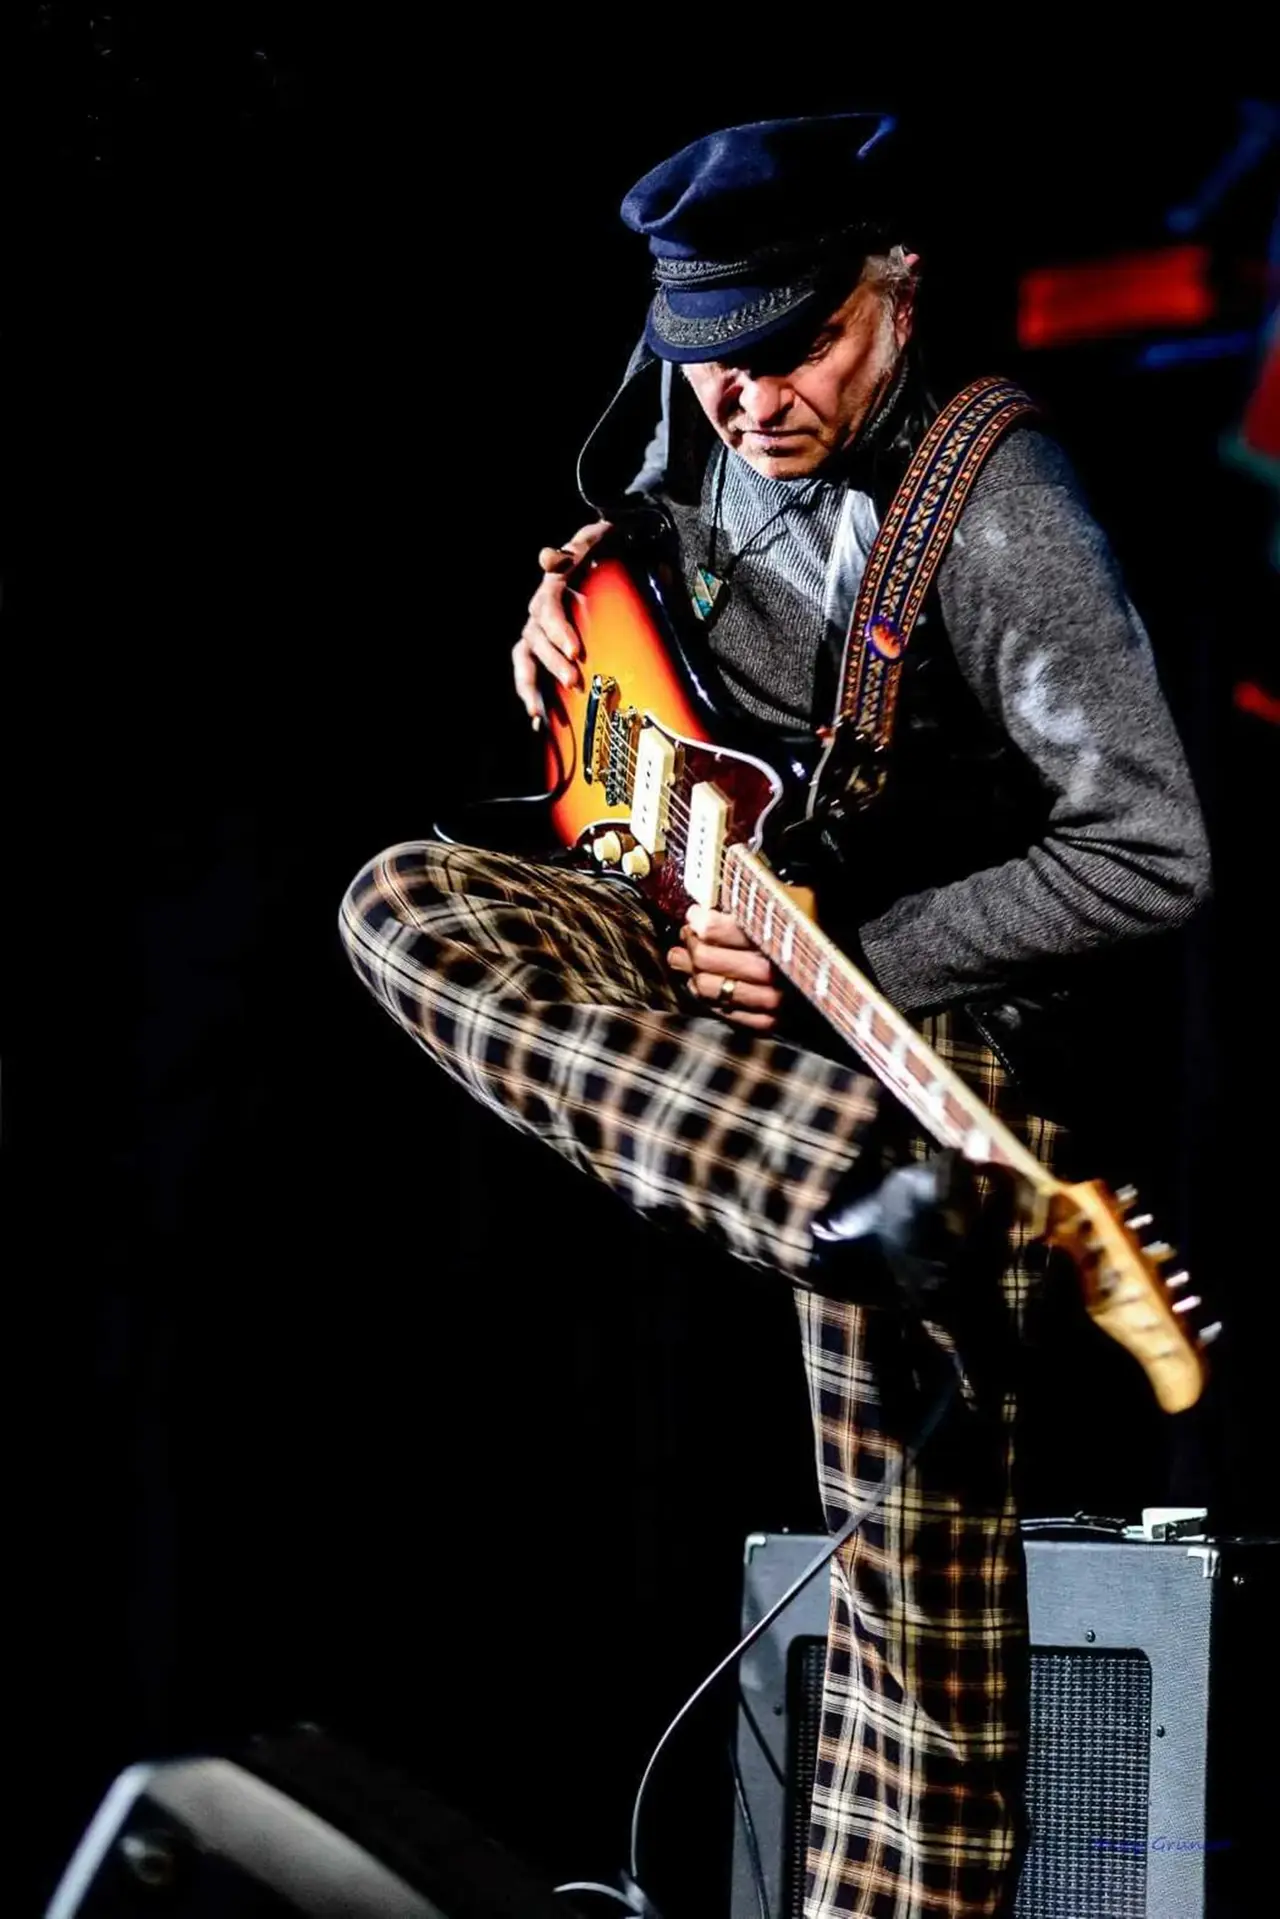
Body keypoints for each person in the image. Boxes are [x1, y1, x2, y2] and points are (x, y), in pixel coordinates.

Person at [338, 114, 1211, 1919]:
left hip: (921, 1022)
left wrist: (867, 954)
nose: (748, 402)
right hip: (719, 950)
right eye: (711, 361)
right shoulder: (705, 409)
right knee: (398, 902)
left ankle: (874, 1203)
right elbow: (663, 594)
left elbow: (1153, 849)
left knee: (911, 1556)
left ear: (891, 289)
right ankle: (832, 1189)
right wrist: (574, 626)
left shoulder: (1006, 511)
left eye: (792, 349)